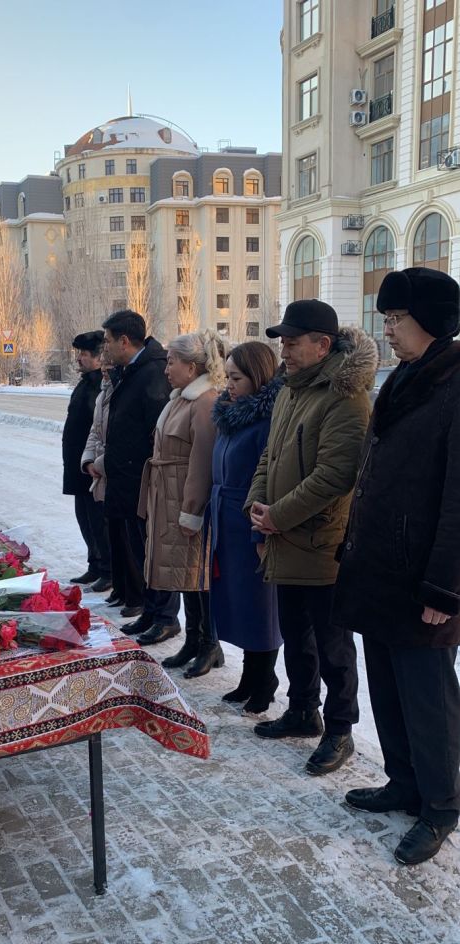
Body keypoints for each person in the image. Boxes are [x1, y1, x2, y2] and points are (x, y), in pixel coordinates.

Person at [333, 267, 460, 866]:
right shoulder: (406, 377)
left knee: (429, 698)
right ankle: (404, 781)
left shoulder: (456, 383)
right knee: (387, 685)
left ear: (431, 322)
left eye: (396, 320)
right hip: (383, 569)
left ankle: (441, 804)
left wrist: (446, 584)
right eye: (384, 319)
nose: (386, 330)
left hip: (424, 581)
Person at [244, 299, 377, 775]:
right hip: (284, 537)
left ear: (323, 345)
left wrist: (277, 515)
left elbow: (336, 475)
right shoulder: (290, 391)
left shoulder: (346, 397)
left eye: (294, 342)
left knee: (333, 645)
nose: (285, 351)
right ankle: (303, 710)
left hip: (323, 545)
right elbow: (268, 459)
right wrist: (256, 509)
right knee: (296, 634)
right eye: (283, 342)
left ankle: (341, 731)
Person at [139, 330, 226, 675]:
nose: (166, 368)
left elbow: (202, 461)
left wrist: (192, 510)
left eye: (171, 361)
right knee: (184, 574)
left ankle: (210, 644)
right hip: (170, 494)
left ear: (191, 367)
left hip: (187, 500)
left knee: (199, 575)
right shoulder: (182, 398)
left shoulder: (205, 401)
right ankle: (193, 639)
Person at [210, 342, 284, 712]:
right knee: (237, 604)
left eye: (236, 377)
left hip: (250, 523)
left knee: (260, 608)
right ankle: (248, 676)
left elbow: (267, 479)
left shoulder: (267, 421)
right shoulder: (230, 415)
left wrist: (258, 531)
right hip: (225, 521)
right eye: (227, 376)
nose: (229, 384)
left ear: (258, 376)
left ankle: (264, 680)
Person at [102, 309, 180, 644]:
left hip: (144, 482)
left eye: (107, 341)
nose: (105, 347)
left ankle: (165, 616)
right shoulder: (130, 371)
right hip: (129, 480)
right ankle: (151, 611)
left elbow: (156, 434)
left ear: (124, 340)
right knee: (142, 552)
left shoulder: (151, 373)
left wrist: (149, 478)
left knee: (155, 552)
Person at [63, 331, 111, 591]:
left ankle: (107, 568)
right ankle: (95, 564)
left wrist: (93, 459)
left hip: (92, 467)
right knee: (85, 519)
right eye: (78, 353)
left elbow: (99, 429)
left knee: (98, 521)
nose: (79, 358)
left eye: (83, 354)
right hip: (78, 465)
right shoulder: (86, 382)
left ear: (98, 357)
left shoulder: (98, 385)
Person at [80, 360, 123, 607]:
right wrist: (88, 460)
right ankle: (120, 586)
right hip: (100, 469)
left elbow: (123, 436)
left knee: (120, 536)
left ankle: (134, 594)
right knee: (107, 530)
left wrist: (100, 462)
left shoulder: (121, 392)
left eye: (110, 367)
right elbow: (95, 432)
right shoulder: (102, 394)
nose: (105, 372)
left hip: (112, 470)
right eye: (104, 368)